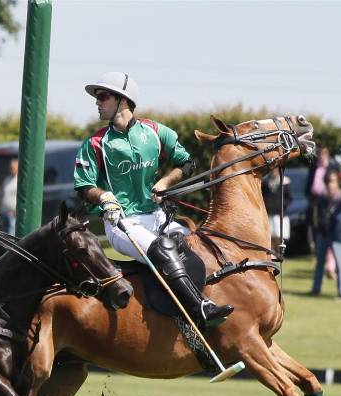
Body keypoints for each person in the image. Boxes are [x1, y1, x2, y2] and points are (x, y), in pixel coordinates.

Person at [73, 71, 232, 328]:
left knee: (200, 246)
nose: (97, 102)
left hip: (157, 216)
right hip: (122, 223)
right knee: (163, 249)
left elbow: (187, 163)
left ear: (123, 100)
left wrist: (165, 182)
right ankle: (199, 307)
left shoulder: (156, 132)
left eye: (102, 96)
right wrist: (105, 197)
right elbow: (83, 186)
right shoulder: (95, 143)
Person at [309, 172, 341, 295]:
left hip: (336, 237)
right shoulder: (321, 199)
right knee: (319, 263)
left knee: (339, 265)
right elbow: (316, 217)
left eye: (332, 181)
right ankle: (316, 288)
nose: (330, 184)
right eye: (328, 181)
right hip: (322, 235)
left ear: (337, 183)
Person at [261, 165, 292, 255]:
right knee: (271, 236)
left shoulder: (284, 182)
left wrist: (281, 205)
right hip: (269, 213)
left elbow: (289, 198)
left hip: (280, 213)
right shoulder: (266, 183)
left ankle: (279, 254)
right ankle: (272, 253)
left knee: (279, 235)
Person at [0, 159, 18, 235]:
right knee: (3, 236)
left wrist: (16, 211)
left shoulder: (20, 180)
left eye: (14, 167)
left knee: (11, 236)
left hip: (13, 214)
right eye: (11, 167)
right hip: (3, 212)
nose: (12, 169)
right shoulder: (7, 179)